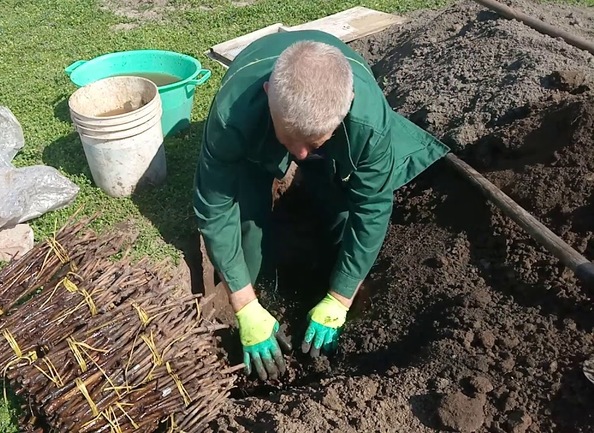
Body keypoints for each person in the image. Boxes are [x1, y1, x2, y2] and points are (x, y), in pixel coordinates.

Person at [192, 29, 450, 381]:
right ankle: (255, 291)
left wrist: (341, 297)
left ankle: (330, 281)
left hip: (337, 127)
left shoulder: (369, 123)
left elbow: (371, 207)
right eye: (290, 140)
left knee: (340, 208)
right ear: (268, 94)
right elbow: (216, 207)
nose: (299, 155)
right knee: (245, 218)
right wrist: (245, 304)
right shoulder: (231, 116)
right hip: (255, 118)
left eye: (313, 143)